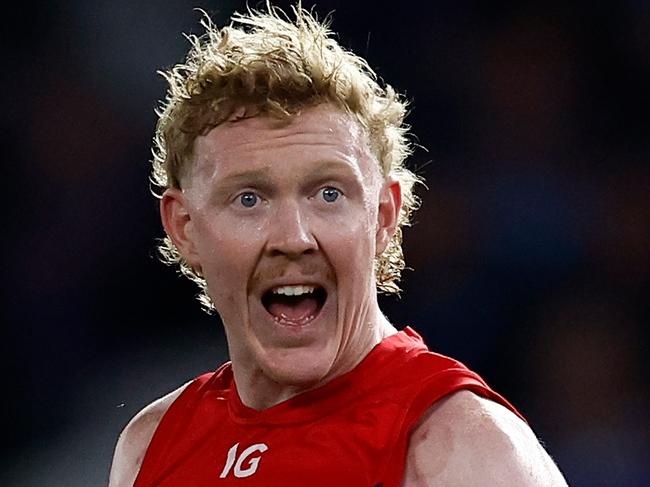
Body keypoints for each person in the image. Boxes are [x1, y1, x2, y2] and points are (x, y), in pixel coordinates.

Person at [109, 3, 568, 486]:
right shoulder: (151, 446)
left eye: (329, 193)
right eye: (249, 199)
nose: (293, 238)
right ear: (183, 227)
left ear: (384, 216)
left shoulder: (461, 450)